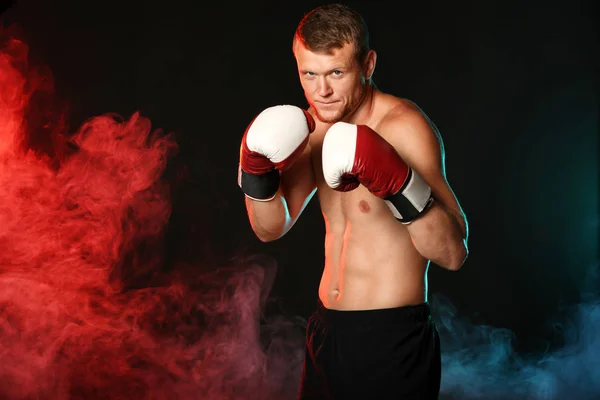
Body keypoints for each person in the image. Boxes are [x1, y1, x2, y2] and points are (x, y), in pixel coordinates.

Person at [237, 4, 469, 399]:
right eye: (308, 74)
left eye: (336, 73)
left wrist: (399, 183)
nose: (320, 90)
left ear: (368, 64)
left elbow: (452, 253)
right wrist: (254, 170)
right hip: (326, 335)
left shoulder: (403, 125)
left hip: (392, 338)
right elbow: (269, 227)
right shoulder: (312, 128)